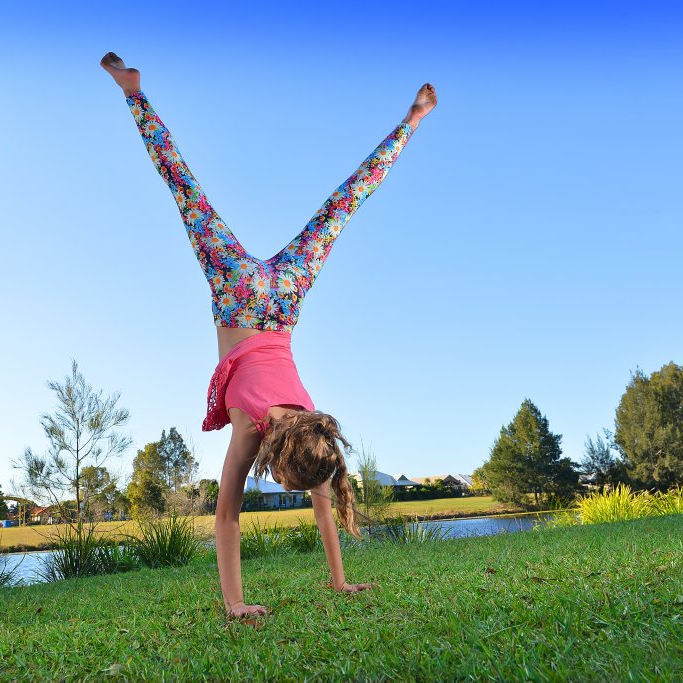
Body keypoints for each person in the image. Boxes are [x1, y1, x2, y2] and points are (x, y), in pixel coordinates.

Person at [100, 52, 436, 618]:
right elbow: (226, 516)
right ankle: (133, 94)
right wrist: (234, 602)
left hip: (281, 297)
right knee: (191, 191)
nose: (286, 486)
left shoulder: (315, 428)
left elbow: (327, 503)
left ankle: (413, 120)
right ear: (278, 460)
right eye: (288, 483)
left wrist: (339, 581)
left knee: (341, 205)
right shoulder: (255, 434)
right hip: (238, 293)